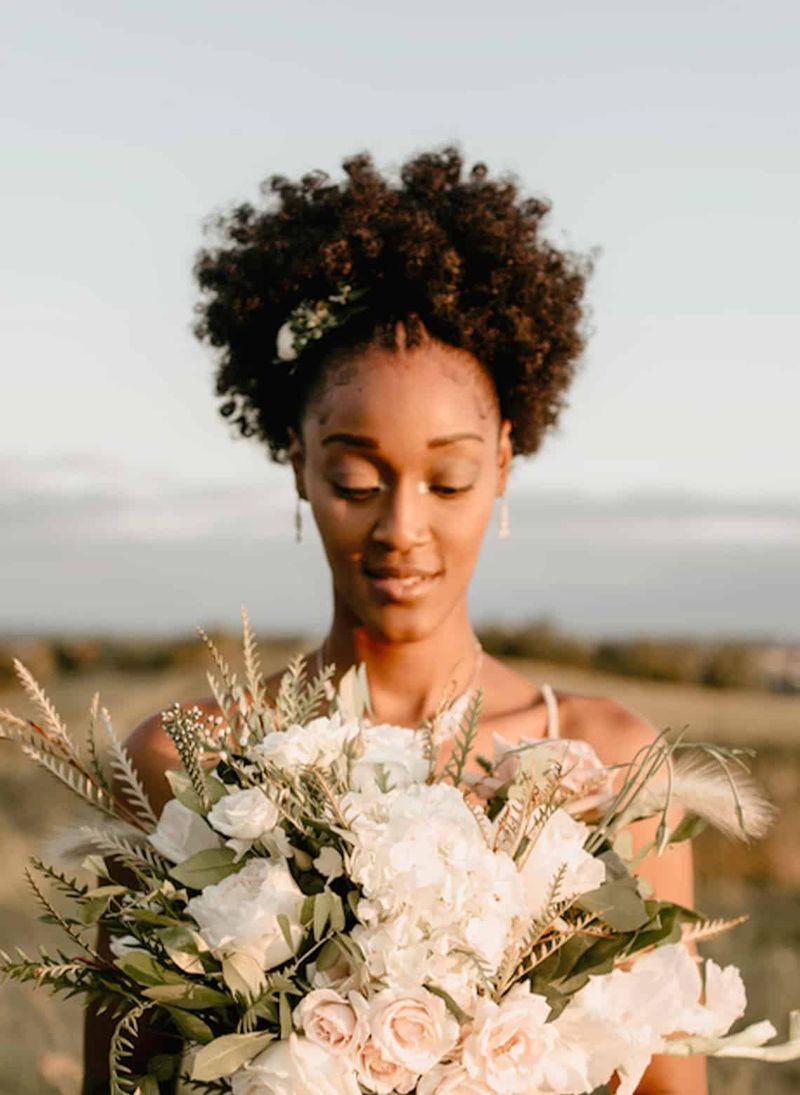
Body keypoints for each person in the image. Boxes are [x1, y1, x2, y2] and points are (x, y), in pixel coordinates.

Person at [84, 147, 707, 1094]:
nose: (402, 528)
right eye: (357, 478)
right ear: (297, 460)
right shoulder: (186, 766)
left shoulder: (614, 769)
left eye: (448, 479)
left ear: (504, 460)